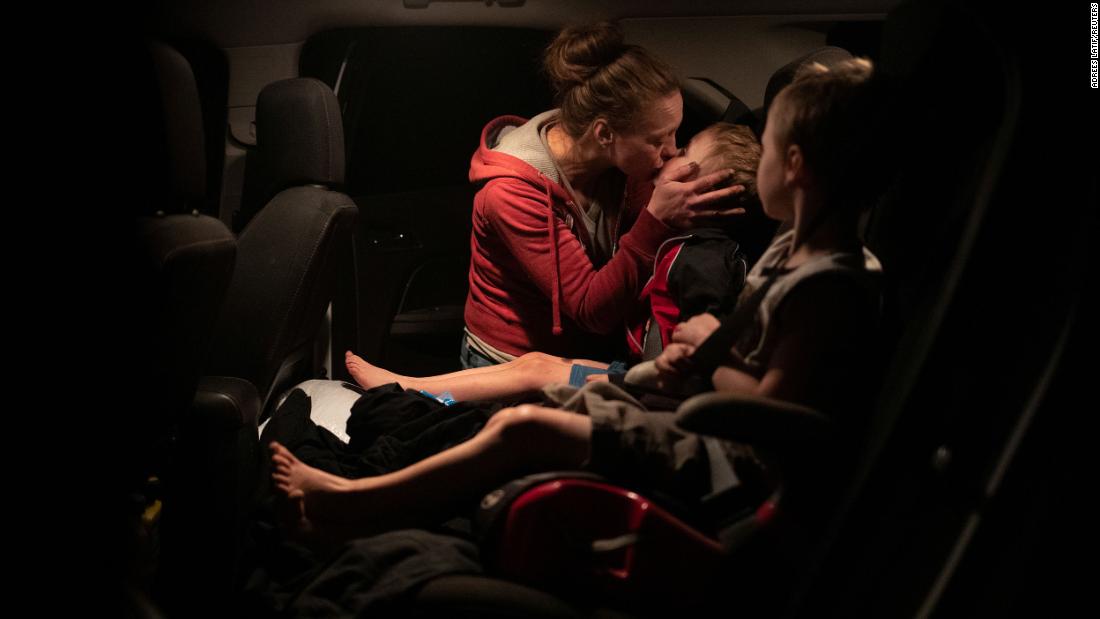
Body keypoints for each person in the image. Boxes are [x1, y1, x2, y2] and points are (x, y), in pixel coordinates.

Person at [271, 57, 891, 542]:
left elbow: (774, 416)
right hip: (683, 400)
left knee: (524, 424)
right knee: (524, 405)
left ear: (795, 166)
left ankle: (350, 505)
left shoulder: (827, 285)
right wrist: (698, 356)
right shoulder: (789, 254)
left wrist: (707, 357)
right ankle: (397, 426)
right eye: (665, 140)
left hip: (718, 450)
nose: (673, 155)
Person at [342, 122, 763, 401]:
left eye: (684, 150)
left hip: (649, 387)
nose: (669, 153)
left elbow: (707, 343)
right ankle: (410, 386)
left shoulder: (702, 259)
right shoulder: (679, 238)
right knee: (534, 363)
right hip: (633, 373)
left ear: (704, 187)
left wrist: (670, 370)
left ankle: (408, 390)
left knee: (535, 372)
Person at [460, 22, 744, 368]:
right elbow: (590, 309)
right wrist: (656, 220)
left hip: (579, 357)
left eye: (675, 134)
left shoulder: (624, 165)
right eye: (658, 140)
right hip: (508, 361)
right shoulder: (510, 194)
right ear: (604, 134)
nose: (670, 151)